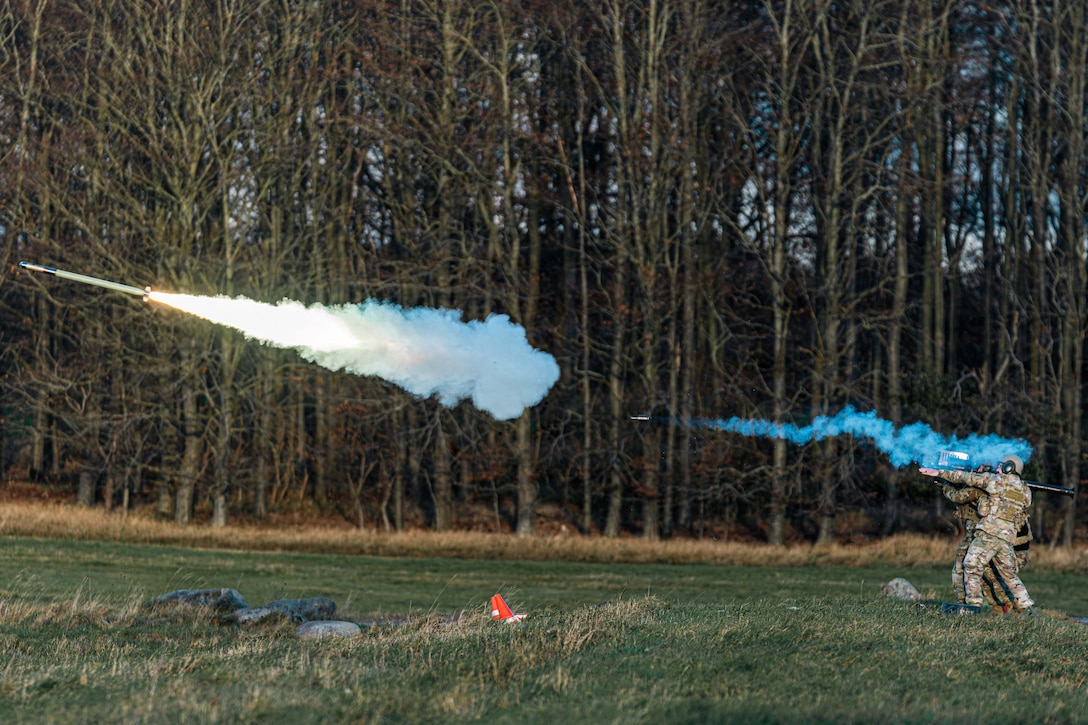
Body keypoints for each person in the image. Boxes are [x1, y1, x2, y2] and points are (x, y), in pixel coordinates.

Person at [919, 455, 1036, 615]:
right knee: (1009, 575)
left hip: (989, 534)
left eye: (1001, 465)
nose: (997, 468)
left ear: (1009, 467)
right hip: (1006, 539)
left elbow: (967, 478)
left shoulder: (996, 481)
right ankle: (1025, 604)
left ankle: (973, 605)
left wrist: (938, 473)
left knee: (971, 565)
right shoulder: (1026, 491)